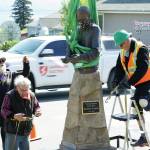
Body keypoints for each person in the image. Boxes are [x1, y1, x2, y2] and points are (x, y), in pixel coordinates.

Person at [60, 6, 113, 149]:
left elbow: (96, 52)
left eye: (83, 18)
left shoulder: (95, 29)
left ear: (88, 17)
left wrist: (79, 58)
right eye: (79, 18)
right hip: (79, 74)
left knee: (92, 112)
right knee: (74, 112)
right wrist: (68, 57)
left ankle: (97, 142)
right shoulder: (77, 30)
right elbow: (72, 48)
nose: (81, 21)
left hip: (91, 74)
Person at [113, 29, 150, 147]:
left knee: (143, 102)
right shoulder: (123, 51)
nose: (120, 46)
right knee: (136, 111)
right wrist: (116, 82)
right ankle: (143, 138)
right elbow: (119, 68)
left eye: (121, 44)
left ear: (127, 40)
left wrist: (129, 82)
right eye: (118, 45)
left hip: (148, 81)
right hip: (139, 83)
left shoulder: (141, 48)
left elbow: (143, 68)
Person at [1, 75, 41, 150]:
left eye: (26, 89)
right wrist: (14, 116)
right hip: (13, 132)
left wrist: (37, 111)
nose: (25, 92)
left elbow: (36, 106)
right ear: (17, 87)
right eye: (22, 90)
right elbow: (3, 110)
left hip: (26, 130)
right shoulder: (10, 95)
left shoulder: (31, 95)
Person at [0, 56, 30, 150]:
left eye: (2, 63)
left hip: (5, 109)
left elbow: (23, 76)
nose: (1, 65)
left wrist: (26, 64)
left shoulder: (10, 74)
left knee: (5, 133)